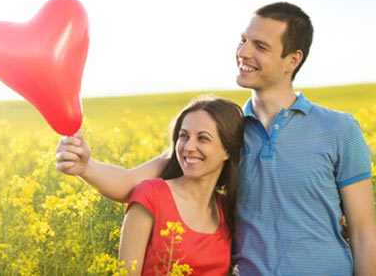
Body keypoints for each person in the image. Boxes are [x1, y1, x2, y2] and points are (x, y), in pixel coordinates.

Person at [56, 2, 376, 275]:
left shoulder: (340, 129)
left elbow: (364, 234)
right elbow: (131, 183)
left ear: (292, 60)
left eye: (260, 46)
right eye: (243, 40)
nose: (243, 51)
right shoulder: (228, 132)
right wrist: (86, 166)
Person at [58, 96, 244, 275]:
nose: (188, 147)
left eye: (203, 138)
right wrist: (86, 166)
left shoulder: (226, 208)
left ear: (228, 150)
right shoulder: (152, 195)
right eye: (183, 136)